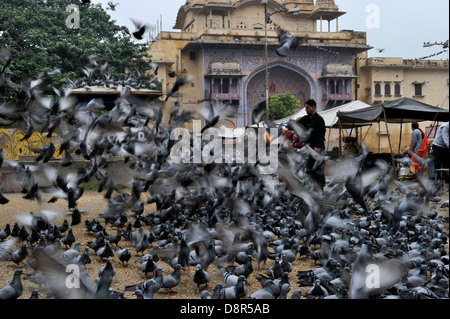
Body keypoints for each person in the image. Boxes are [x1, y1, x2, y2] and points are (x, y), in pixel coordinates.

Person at [296, 99, 326, 190]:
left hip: (318, 149)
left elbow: (321, 133)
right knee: (309, 169)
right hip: (309, 148)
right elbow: (296, 125)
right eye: (305, 108)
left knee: (318, 170)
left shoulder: (319, 119)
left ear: (313, 107)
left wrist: (318, 146)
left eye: (307, 108)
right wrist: (287, 126)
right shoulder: (305, 119)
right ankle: (311, 189)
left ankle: (320, 190)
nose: (306, 109)